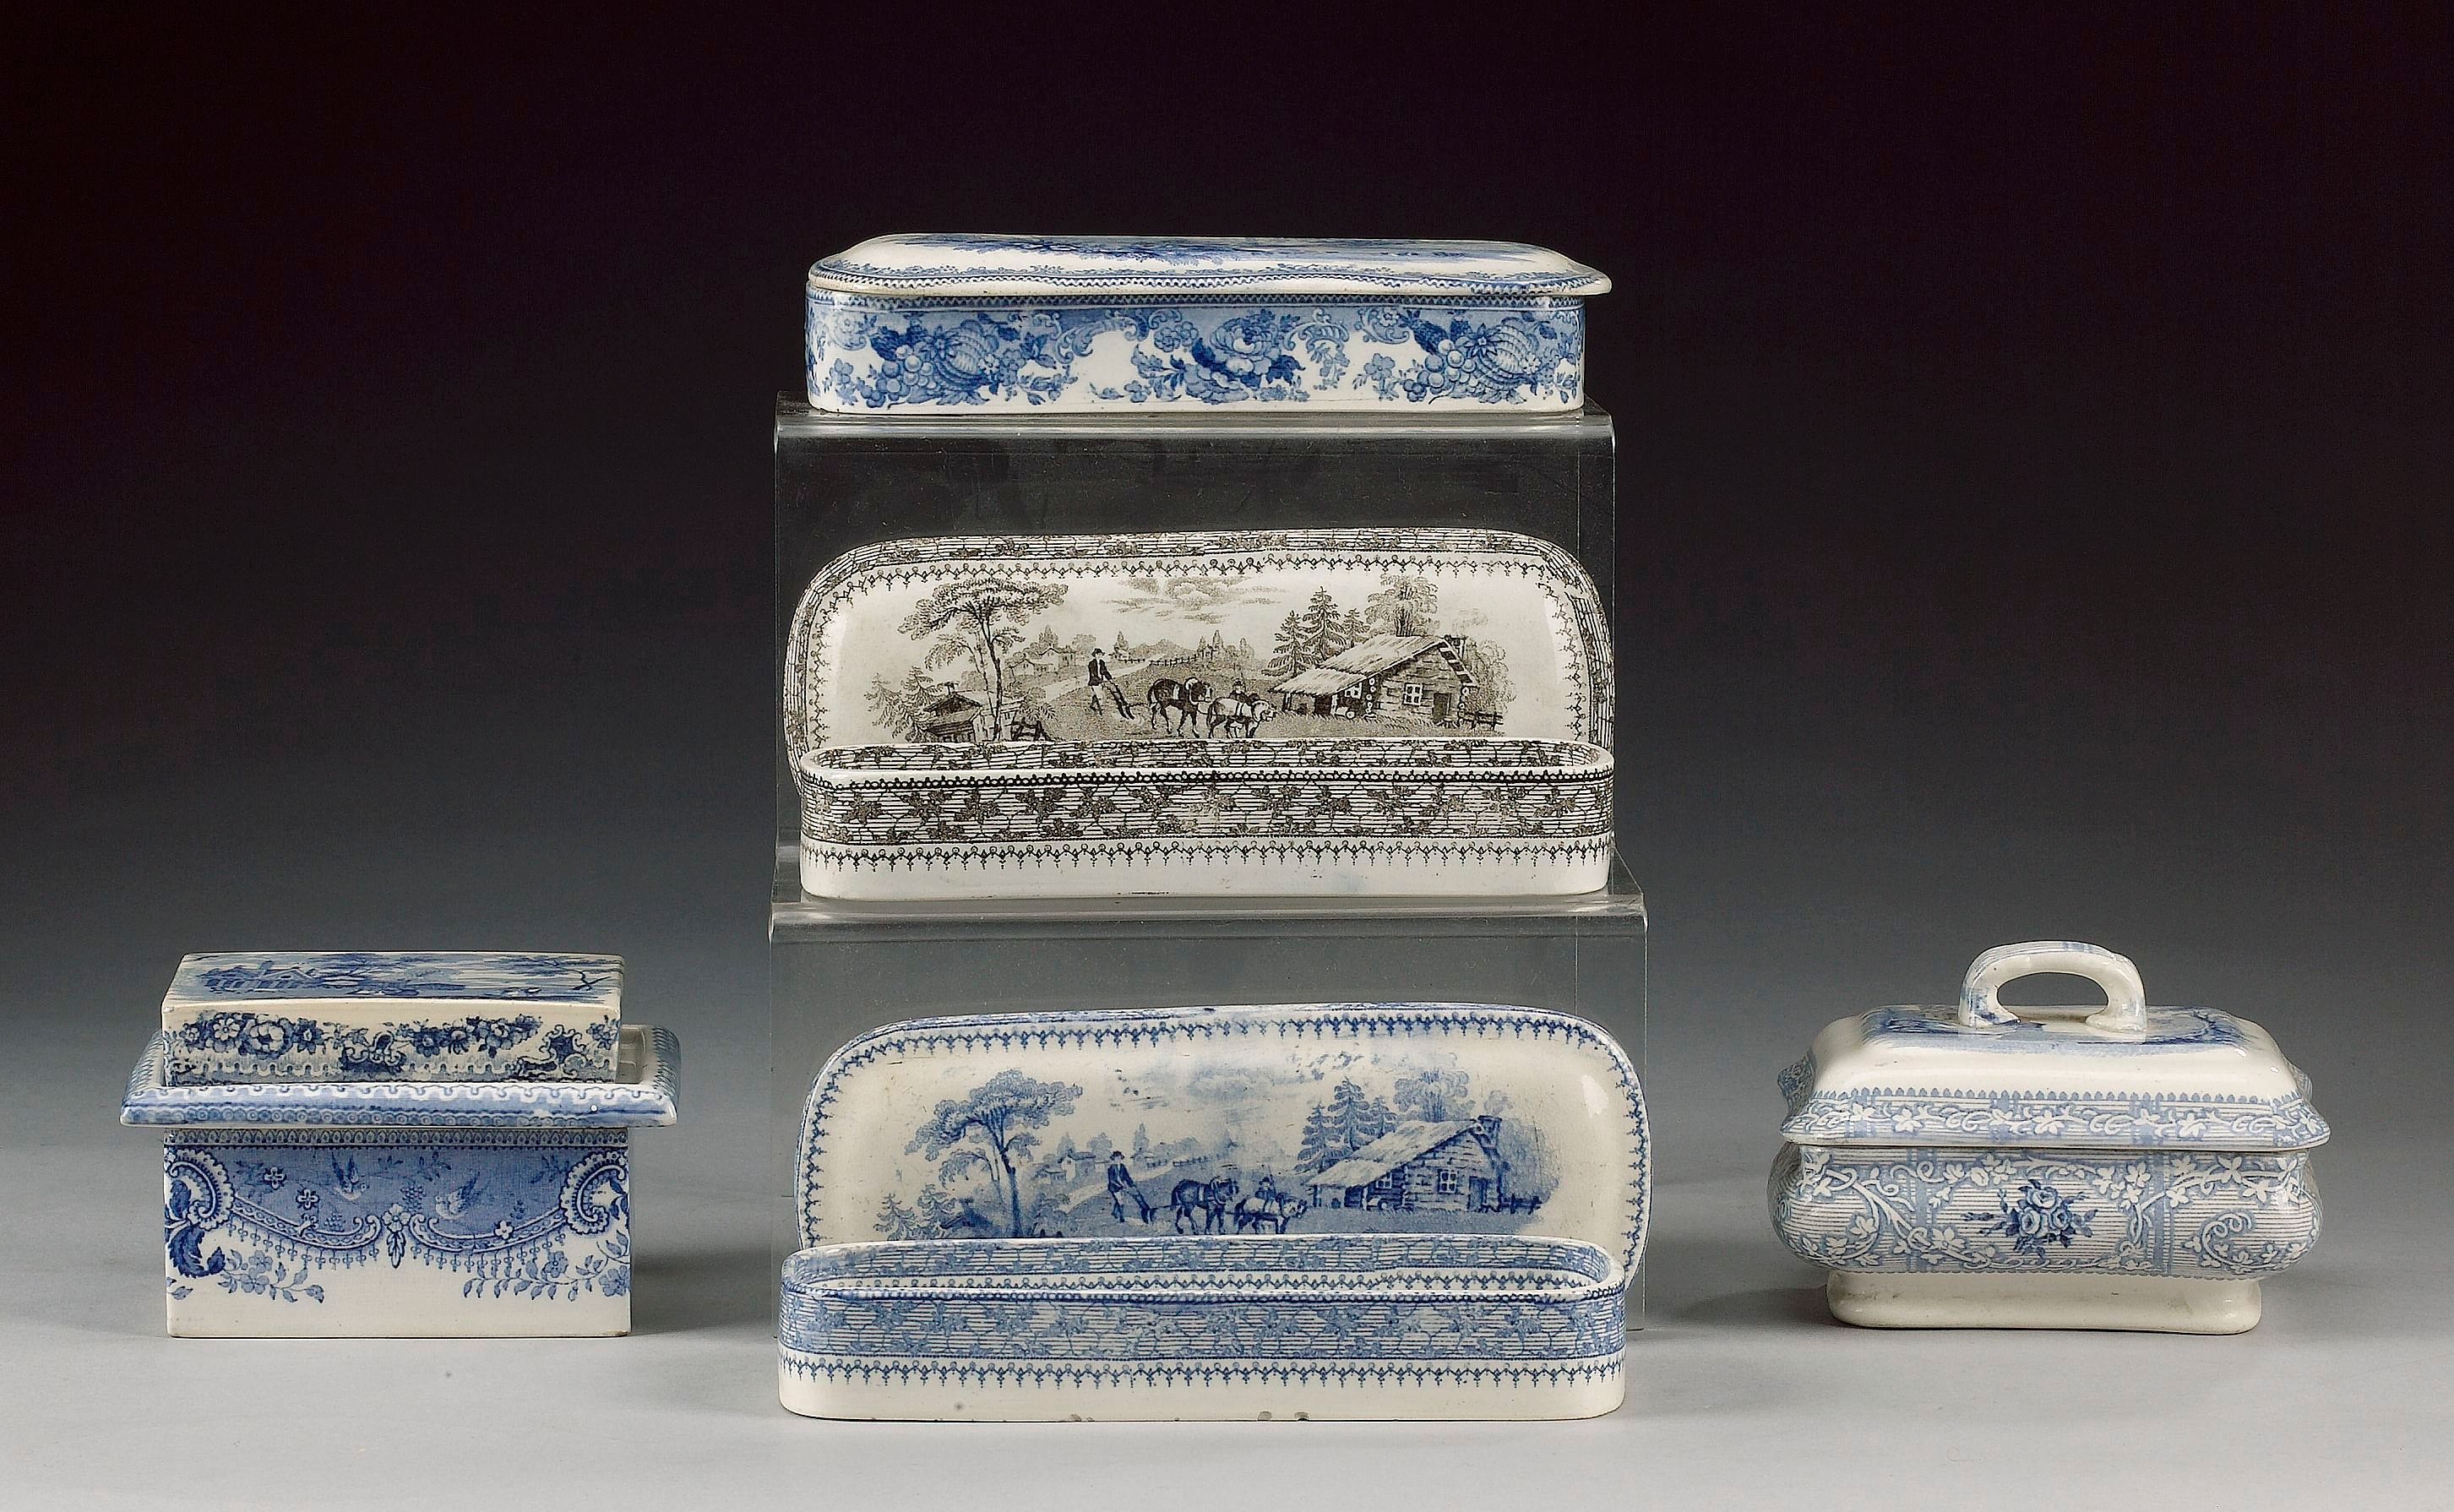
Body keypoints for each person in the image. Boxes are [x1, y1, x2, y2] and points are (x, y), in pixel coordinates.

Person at [1106, 1150, 1152, 1223]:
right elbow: (1112, 1180)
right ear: (1113, 1159)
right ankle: (1121, 1218)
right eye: (1116, 1158)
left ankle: (1115, 1213)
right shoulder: (1111, 1168)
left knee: (1119, 1200)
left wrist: (1132, 1184)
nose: (1118, 1160)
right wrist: (1120, 1185)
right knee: (1120, 1201)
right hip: (1114, 1188)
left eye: (1119, 1158)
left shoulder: (1122, 1167)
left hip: (1122, 1186)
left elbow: (1127, 1177)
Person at [1087, 647, 1131, 717]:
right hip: (1095, 682)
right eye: (1098, 654)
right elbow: (1093, 675)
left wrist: (1110, 679)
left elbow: (1105, 672)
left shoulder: (1102, 663)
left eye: (1100, 654)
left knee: (1113, 687)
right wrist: (1101, 681)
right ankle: (1100, 712)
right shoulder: (1091, 664)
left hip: (1102, 681)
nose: (1099, 656)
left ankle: (1122, 701)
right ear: (1095, 655)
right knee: (1101, 697)